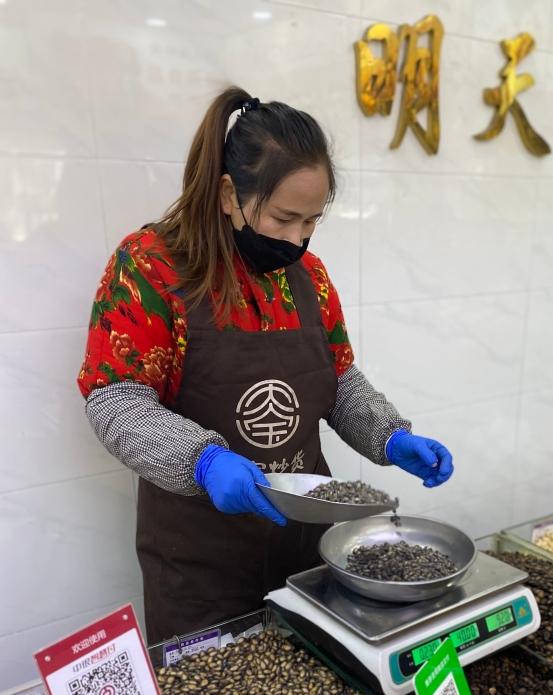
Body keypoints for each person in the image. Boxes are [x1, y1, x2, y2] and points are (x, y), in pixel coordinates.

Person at [77, 86, 453, 644]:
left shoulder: (310, 278)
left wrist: (389, 436)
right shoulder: (151, 267)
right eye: (283, 218)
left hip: (307, 551)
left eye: (312, 222)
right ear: (230, 194)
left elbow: (338, 380)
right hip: (199, 566)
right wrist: (202, 461)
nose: (297, 239)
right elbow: (115, 399)